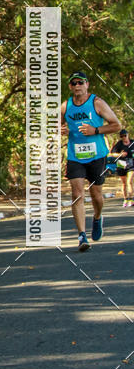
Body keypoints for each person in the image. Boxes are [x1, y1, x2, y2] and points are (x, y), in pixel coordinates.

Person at [61, 70, 120, 252]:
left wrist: (95, 130)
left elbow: (116, 125)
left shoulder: (97, 103)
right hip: (75, 157)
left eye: (81, 82)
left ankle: (97, 217)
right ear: (70, 86)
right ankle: (82, 235)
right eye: (74, 83)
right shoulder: (65, 106)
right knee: (77, 193)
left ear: (87, 84)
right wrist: (62, 130)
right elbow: (58, 125)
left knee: (96, 196)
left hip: (97, 156)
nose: (77, 86)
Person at [111, 129, 134, 207]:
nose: (124, 137)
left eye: (125, 135)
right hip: (121, 164)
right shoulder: (119, 144)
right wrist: (120, 154)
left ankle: (131, 199)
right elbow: (112, 154)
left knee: (129, 181)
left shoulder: (132, 142)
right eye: (122, 136)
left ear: (128, 135)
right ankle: (125, 199)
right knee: (124, 183)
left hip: (131, 164)